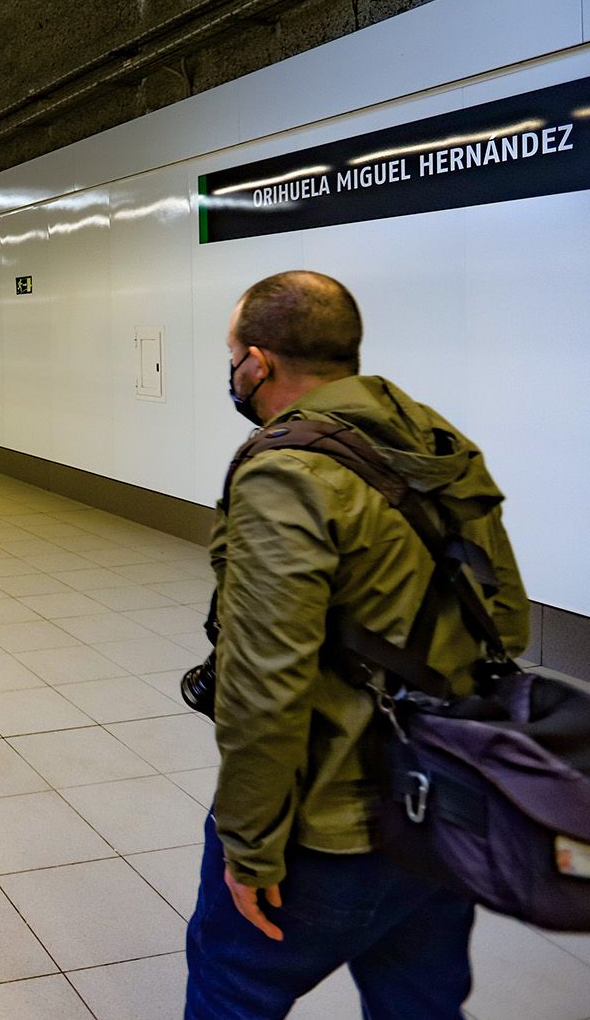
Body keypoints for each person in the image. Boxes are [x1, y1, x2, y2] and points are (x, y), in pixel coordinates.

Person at [185, 271, 532, 1019]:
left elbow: (266, 684)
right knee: (419, 1001)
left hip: (332, 827)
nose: (234, 369)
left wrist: (249, 847)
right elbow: (507, 625)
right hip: (445, 803)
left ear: (260, 362)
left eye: (233, 353)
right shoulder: (434, 439)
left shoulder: (285, 472)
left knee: (232, 987)